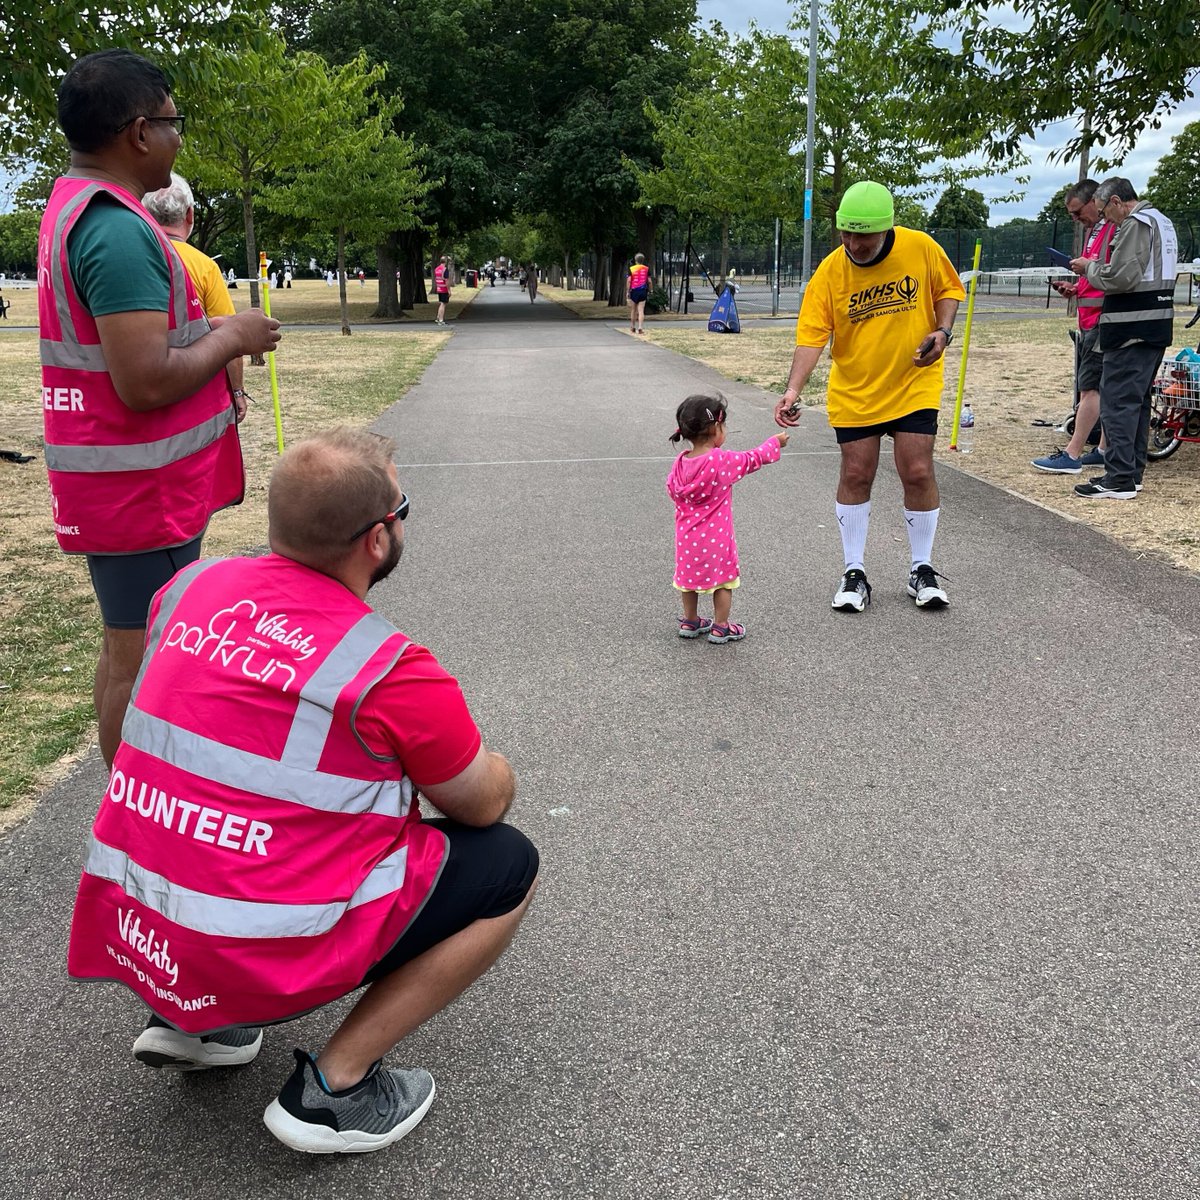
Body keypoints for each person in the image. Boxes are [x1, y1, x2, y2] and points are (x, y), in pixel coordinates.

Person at [66, 426, 540, 1155]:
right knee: (507, 863)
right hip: (251, 950)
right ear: (378, 539)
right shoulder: (390, 667)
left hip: (141, 925)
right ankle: (336, 1089)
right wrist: (494, 764)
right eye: (403, 509)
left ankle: (198, 1023)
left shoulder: (188, 588)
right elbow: (481, 802)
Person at [38, 49, 280, 767]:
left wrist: (209, 333)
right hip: (139, 489)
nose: (179, 139)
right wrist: (234, 335)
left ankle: (129, 798)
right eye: (175, 123)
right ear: (140, 133)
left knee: (126, 646)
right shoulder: (116, 229)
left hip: (122, 480)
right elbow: (144, 379)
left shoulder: (76, 204)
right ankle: (134, 808)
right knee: (141, 656)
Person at [774, 180, 965, 613]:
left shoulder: (920, 248)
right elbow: (812, 336)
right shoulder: (830, 272)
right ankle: (854, 571)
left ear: (887, 228)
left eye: (864, 236)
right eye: (846, 234)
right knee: (857, 473)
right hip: (856, 388)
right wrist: (792, 389)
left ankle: (921, 568)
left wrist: (943, 332)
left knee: (917, 470)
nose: (853, 244)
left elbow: (949, 291)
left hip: (914, 380)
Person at [1068, 178, 1178, 500]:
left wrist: (1090, 268)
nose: (1106, 220)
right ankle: (1131, 474)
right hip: (1155, 324)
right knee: (1138, 403)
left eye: (1105, 212)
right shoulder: (1162, 222)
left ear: (1116, 201)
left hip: (1131, 328)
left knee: (1117, 402)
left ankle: (1118, 478)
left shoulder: (1136, 223)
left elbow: (1122, 277)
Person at [667, 393, 788, 643]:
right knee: (723, 581)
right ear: (715, 429)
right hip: (717, 539)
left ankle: (690, 620)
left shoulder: (680, 463)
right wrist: (774, 443)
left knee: (687, 581)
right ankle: (721, 626)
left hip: (687, 537)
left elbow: (672, 490)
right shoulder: (720, 460)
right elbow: (753, 458)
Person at [143, 172, 248, 421]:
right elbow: (229, 335)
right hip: (196, 384)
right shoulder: (205, 266)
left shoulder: (131, 258)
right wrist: (237, 390)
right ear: (189, 215)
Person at [628, 253, 651, 334]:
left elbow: (629, 281)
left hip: (634, 291)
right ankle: (640, 327)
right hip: (643, 291)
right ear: (643, 260)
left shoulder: (632, 269)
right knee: (641, 310)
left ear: (635, 260)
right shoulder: (646, 269)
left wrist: (628, 291)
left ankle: (633, 327)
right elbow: (649, 281)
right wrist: (651, 290)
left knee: (633, 310)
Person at [433, 255, 451, 325]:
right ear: (446, 262)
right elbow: (447, 281)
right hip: (444, 288)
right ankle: (441, 320)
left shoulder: (436, 269)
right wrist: (449, 290)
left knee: (441, 303)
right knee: (443, 304)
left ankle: (438, 318)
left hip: (439, 288)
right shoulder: (445, 269)